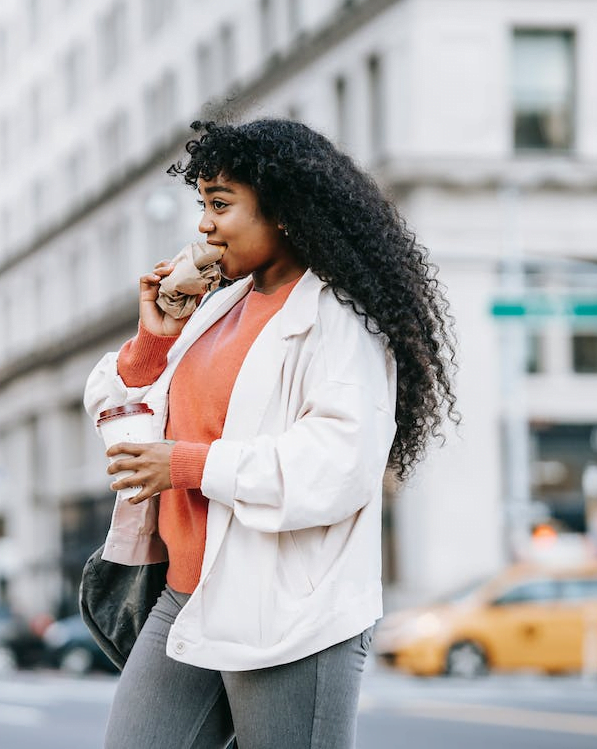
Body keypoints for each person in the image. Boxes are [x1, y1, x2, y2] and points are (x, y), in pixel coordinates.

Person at [84, 119, 458, 749]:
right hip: (188, 594)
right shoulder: (216, 307)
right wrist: (155, 339)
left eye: (221, 205)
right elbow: (132, 434)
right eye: (201, 204)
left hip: (290, 611)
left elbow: (339, 463)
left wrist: (190, 465)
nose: (203, 224)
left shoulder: (339, 318)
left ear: (282, 210)